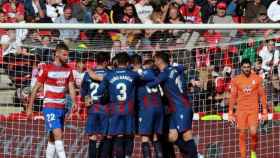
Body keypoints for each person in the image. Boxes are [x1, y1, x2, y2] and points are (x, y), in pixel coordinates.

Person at [26, 43, 78, 158]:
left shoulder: (68, 69)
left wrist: (74, 102)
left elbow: (71, 87)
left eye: (67, 55)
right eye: (64, 55)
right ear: (57, 54)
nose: (66, 57)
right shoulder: (46, 69)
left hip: (62, 107)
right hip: (49, 106)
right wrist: (29, 107)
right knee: (58, 135)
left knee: (52, 138)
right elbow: (35, 89)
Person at [146, 52, 198, 158]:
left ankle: (195, 156)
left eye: (155, 59)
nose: (154, 62)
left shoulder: (165, 73)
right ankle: (188, 153)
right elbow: (182, 67)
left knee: (187, 135)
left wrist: (141, 77)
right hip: (176, 108)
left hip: (181, 107)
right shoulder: (175, 69)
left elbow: (152, 84)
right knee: (172, 137)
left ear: (160, 60)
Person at [228, 58, 268, 158]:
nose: (246, 69)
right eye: (244, 67)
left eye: (248, 67)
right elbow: (233, 97)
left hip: (253, 110)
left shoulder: (258, 78)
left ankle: (253, 151)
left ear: (251, 67)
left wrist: (264, 111)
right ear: (241, 67)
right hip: (241, 111)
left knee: (253, 132)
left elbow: (262, 95)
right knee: (242, 133)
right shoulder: (236, 80)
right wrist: (230, 113)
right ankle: (243, 156)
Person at [130, 54, 163, 158]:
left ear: (132, 64)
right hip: (158, 106)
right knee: (155, 137)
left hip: (146, 108)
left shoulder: (135, 74)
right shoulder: (151, 72)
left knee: (144, 137)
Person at [80, 52, 111, 158]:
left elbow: (84, 92)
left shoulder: (88, 74)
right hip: (105, 108)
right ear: (106, 62)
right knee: (105, 135)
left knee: (92, 136)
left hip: (92, 108)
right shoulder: (110, 73)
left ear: (96, 61)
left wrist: (87, 101)